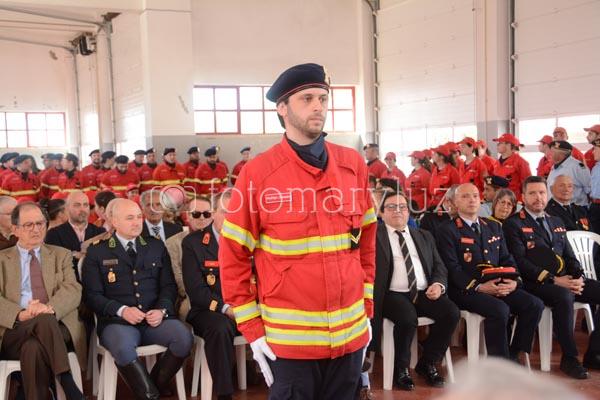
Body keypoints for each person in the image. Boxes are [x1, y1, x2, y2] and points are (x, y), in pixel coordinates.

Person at [219, 63, 376, 399]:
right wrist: (252, 328)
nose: (318, 106)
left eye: (323, 98)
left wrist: (366, 309)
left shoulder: (352, 165)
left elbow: (366, 245)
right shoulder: (258, 174)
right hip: (291, 343)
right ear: (282, 108)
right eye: (307, 99)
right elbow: (233, 255)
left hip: (350, 335)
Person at [81, 198, 193, 399]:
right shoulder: (97, 251)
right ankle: (151, 395)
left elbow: (168, 286)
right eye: (129, 218)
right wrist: (122, 310)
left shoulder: (155, 246)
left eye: (139, 217)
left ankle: (153, 386)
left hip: (155, 320)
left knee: (184, 338)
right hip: (117, 323)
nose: (136, 222)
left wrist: (162, 310)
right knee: (123, 348)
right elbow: (92, 296)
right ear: (114, 221)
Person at [503, 176, 600, 377]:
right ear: (523, 197)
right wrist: (554, 280)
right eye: (532, 193)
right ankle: (569, 358)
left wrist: (577, 277)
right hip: (533, 283)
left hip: (564, 280)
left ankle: (594, 353)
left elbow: (569, 256)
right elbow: (521, 262)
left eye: (541, 192)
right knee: (564, 296)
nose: (538, 197)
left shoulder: (556, 221)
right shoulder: (513, 224)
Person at [436, 183, 544, 362]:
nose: (472, 200)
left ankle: (514, 354)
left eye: (475, 196)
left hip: (497, 285)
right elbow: (452, 268)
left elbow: (507, 259)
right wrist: (479, 287)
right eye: (465, 196)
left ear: (481, 200)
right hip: (466, 290)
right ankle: (499, 364)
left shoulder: (493, 227)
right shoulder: (447, 230)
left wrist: (514, 281)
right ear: (455, 202)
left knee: (534, 305)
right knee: (500, 309)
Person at [371, 192, 458, 391]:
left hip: (423, 291)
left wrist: (438, 285)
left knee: (451, 313)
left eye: (402, 207)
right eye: (391, 207)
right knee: (407, 318)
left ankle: (428, 362)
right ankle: (401, 369)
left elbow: (439, 266)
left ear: (408, 212)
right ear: (381, 213)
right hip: (392, 293)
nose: (398, 211)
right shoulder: (375, 236)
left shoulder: (424, 235)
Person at [0, 202, 85, 400]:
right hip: (15, 328)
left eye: (40, 223)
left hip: (55, 323)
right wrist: (21, 314)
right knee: (40, 328)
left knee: (34, 346)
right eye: (29, 225)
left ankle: (27, 393)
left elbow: (73, 289)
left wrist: (48, 308)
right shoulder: (2, 259)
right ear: (15, 229)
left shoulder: (61, 255)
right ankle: (67, 383)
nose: (36, 229)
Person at [182, 191, 238, 400]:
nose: (230, 217)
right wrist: (226, 308)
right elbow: (196, 290)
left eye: (235, 212)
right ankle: (225, 393)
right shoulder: (193, 243)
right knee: (220, 327)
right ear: (213, 213)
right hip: (208, 309)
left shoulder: (247, 238)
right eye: (225, 212)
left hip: (243, 308)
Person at [166, 196, 213, 320]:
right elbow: (178, 280)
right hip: (191, 298)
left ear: (212, 216)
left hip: (221, 296)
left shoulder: (222, 240)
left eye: (206, 214)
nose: (202, 218)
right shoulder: (173, 243)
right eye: (196, 214)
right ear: (188, 216)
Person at [45, 190, 106, 281]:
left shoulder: (100, 232)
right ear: (67, 208)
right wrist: (75, 256)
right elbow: (54, 264)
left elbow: (104, 262)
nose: (82, 209)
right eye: (77, 205)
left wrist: (79, 255)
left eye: (85, 205)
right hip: (67, 285)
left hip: (96, 285)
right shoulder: (53, 234)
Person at [546, 141, 591, 207]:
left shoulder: (578, 166)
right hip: (555, 209)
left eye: (552, 152)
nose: (549, 154)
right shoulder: (555, 166)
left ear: (561, 154)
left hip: (574, 209)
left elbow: (589, 189)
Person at [493, 133, 531, 201]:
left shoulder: (521, 162)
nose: (497, 145)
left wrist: (522, 201)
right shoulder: (496, 163)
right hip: (499, 200)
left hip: (514, 201)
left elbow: (528, 184)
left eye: (500, 143)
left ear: (509, 145)